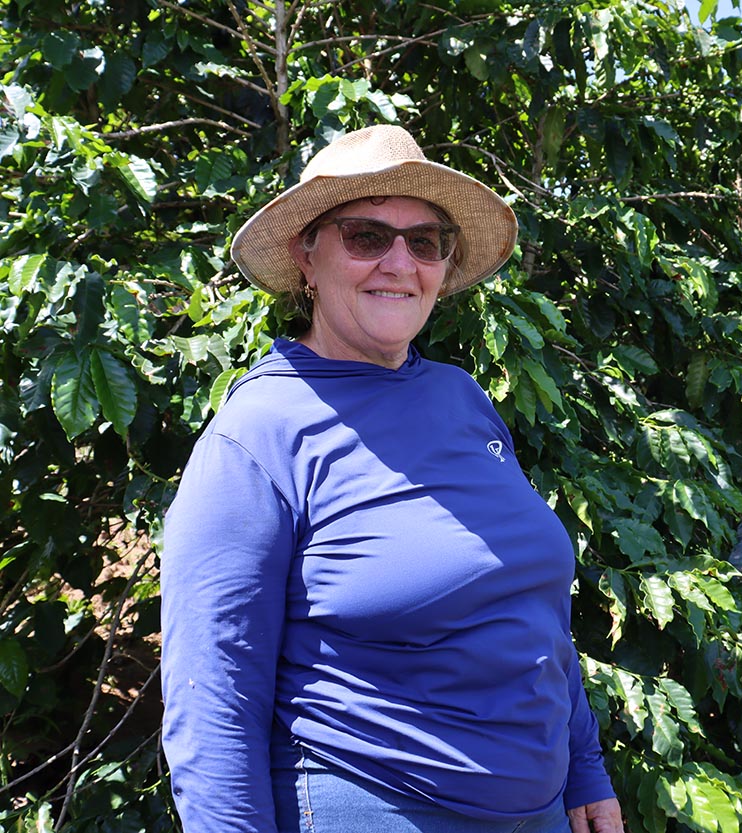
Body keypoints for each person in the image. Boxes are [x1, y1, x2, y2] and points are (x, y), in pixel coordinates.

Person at [160, 125, 624, 833]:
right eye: (367, 236)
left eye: (425, 241)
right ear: (306, 255)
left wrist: (585, 769)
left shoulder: (461, 398)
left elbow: (532, 610)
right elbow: (212, 693)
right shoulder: (258, 433)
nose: (400, 262)